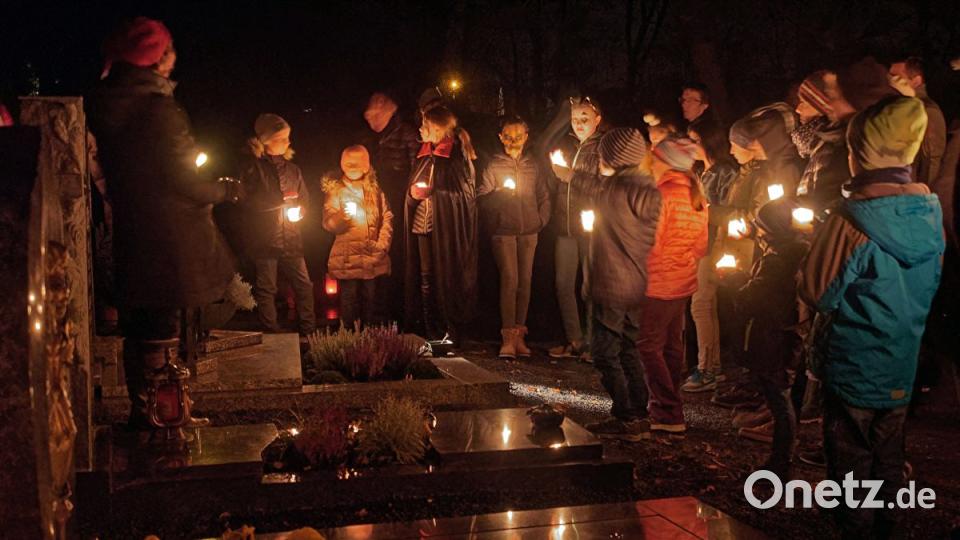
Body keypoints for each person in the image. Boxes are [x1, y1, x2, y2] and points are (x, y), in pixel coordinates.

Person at [87, 17, 241, 429]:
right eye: (170, 50)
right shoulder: (157, 109)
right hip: (169, 237)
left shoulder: (110, 102)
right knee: (161, 327)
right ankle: (166, 419)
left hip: (135, 232)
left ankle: (148, 412)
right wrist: (224, 190)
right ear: (159, 59)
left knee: (140, 328)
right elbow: (183, 180)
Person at [800, 95, 942, 538]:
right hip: (901, 363)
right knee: (888, 461)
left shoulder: (851, 222)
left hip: (853, 366)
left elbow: (817, 291)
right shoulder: (930, 214)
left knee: (850, 469)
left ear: (857, 154)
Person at [563, 128, 661, 440]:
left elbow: (596, 187)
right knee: (630, 348)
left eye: (604, 154)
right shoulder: (649, 188)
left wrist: (570, 175)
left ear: (614, 157)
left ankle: (626, 416)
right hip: (637, 280)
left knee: (605, 352)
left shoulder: (614, 190)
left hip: (611, 282)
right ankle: (640, 415)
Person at [710, 103, 803, 409]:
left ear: (755, 144)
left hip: (761, 254)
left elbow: (766, 214)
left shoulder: (780, 172)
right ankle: (754, 382)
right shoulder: (754, 169)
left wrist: (721, 214)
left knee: (764, 322)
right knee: (748, 319)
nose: (731, 151)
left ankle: (765, 393)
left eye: (737, 144)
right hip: (750, 250)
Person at [723, 199, 809, 480]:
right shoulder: (800, 250)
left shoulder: (776, 261)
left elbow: (755, 298)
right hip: (791, 335)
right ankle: (781, 455)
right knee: (782, 397)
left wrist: (734, 280)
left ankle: (781, 461)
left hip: (775, 338)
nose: (757, 234)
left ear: (770, 231)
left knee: (780, 399)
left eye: (760, 228)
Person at [636, 136, 709, 433]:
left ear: (664, 161)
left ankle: (667, 410)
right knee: (671, 344)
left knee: (647, 345)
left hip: (658, 282)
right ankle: (670, 406)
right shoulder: (697, 196)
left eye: (656, 156)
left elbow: (651, 243)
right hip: (683, 281)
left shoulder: (662, 195)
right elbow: (700, 247)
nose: (652, 161)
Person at [403, 106, 478, 345]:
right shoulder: (424, 153)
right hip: (422, 224)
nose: (420, 129)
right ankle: (429, 327)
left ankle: (448, 327)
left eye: (425, 125)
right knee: (425, 275)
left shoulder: (455, 155)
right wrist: (413, 195)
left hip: (446, 228)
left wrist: (436, 193)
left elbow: (464, 195)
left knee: (445, 275)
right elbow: (414, 185)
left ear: (437, 128)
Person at [478, 116, 551, 358]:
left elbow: (544, 195)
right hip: (503, 232)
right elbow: (482, 197)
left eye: (518, 136)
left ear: (526, 137)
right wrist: (500, 195)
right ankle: (507, 337)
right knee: (510, 279)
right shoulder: (493, 165)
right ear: (500, 137)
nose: (514, 141)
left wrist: (541, 220)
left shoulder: (533, 166)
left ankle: (520, 336)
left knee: (525, 282)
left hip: (530, 231)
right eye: (508, 136)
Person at [238, 114, 316, 337]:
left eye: (288, 138)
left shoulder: (293, 170)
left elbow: (305, 199)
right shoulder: (254, 168)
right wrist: (277, 203)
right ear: (267, 141)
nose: (288, 142)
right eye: (282, 138)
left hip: (291, 236)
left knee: (304, 284)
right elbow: (247, 200)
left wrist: (300, 209)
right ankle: (271, 332)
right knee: (267, 287)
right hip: (265, 237)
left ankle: (308, 330)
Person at [547, 95, 605, 360]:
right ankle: (575, 339)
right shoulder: (568, 146)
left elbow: (603, 187)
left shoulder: (603, 148)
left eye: (585, 118)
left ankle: (595, 343)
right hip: (565, 226)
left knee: (591, 286)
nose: (579, 124)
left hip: (592, 227)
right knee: (563, 283)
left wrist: (572, 176)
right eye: (575, 119)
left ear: (597, 120)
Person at [682, 124, 738, 392]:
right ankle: (711, 365)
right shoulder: (703, 171)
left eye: (695, 140)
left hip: (712, 243)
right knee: (704, 305)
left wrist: (702, 210)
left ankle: (707, 369)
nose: (691, 145)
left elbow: (728, 210)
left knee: (701, 304)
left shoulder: (724, 172)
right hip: (700, 241)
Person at [322, 145, 393, 329]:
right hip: (348, 258)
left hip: (372, 255)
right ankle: (349, 340)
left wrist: (382, 244)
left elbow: (387, 217)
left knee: (371, 300)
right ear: (342, 165)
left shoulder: (375, 191)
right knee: (349, 300)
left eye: (357, 164)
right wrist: (342, 217)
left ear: (366, 166)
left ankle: (370, 340)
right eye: (348, 164)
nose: (353, 168)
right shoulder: (336, 191)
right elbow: (328, 223)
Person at [363, 92, 419, 324]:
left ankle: (401, 312)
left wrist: (410, 197)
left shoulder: (406, 133)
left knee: (399, 255)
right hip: (379, 197)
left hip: (400, 199)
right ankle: (379, 311)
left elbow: (417, 166)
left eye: (376, 113)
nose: (371, 118)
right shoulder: (374, 137)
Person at [792, 70, 850, 213]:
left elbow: (825, 199)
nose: (798, 110)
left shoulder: (835, 144)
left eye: (804, 102)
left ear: (822, 105)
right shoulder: (819, 142)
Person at [888, 57, 947, 186]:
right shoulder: (899, 108)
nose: (890, 82)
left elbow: (932, 160)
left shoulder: (928, 111)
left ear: (916, 81)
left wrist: (923, 195)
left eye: (896, 77)